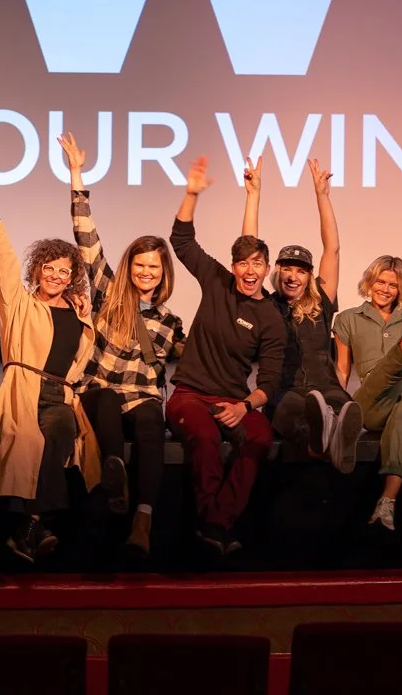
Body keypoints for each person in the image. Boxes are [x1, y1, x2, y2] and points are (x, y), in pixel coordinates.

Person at [0, 162, 102, 563]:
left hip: (60, 394)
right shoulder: (18, 303)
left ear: (72, 277)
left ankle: (30, 524)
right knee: (26, 444)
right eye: (50, 268)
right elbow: (3, 258)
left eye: (64, 271)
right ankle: (32, 526)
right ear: (37, 270)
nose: (56, 276)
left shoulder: (79, 311)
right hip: (24, 391)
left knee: (60, 431)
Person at [60, 131, 186, 560]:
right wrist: (77, 174)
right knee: (110, 401)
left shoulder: (170, 322)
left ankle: (143, 518)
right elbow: (86, 238)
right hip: (99, 392)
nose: (146, 272)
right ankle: (116, 478)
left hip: (141, 396)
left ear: (163, 273)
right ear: (129, 265)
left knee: (151, 418)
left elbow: (197, 357)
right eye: (140, 264)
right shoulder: (109, 293)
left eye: (154, 267)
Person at [165, 156, 287, 558]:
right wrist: (192, 194)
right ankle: (216, 525)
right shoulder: (217, 282)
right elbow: (181, 241)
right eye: (242, 263)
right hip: (189, 395)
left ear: (267, 269)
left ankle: (214, 523)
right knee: (204, 438)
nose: (249, 270)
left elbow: (269, 382)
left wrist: (244, 406)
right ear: (233, 267)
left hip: (233, 400)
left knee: (260, 436)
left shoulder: (271, 319)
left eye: (257, 263)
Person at [241, 156, 362, 473]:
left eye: (301, 271)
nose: (293, 276)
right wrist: (253, 195)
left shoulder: (322, 301)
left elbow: (332, 249)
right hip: (287, 391)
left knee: (343, 406)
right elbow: (248, 251)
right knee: (293, 412)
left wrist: (322, 195)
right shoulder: (266, 306)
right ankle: (322, 445)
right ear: (276, 272)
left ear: (310, 277)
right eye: (287, 269)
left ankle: (334, 437)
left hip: (327, 386)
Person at [330, 254, 402, 534]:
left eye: (393, 285)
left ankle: (387, 502)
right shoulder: (348, 319)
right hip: (373, 401)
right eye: (381, 282)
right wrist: (337, 407)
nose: (386, 289)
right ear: (370, 281)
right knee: (385, 377)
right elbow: (342, 370)